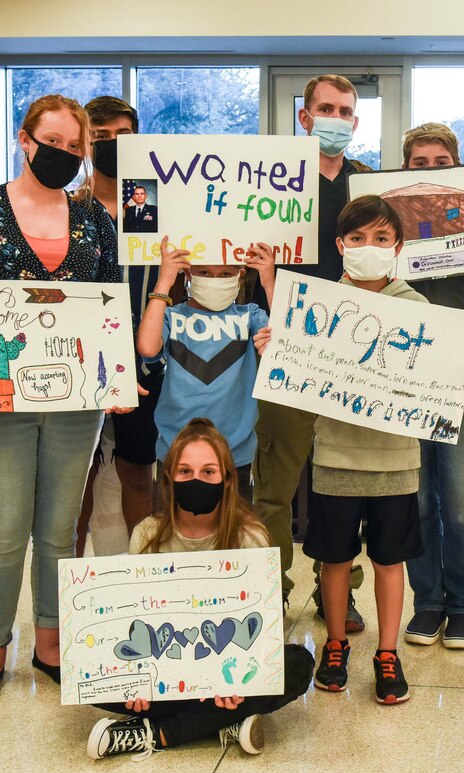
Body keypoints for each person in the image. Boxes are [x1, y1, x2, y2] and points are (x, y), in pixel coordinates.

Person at [0, 94, 122, 700]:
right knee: (6, 529)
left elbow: (108, 311)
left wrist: (115, 380)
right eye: (55, 142)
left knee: (60, 527)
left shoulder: (96, 220)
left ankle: (49, 639)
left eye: (76, 147)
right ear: (24, 139)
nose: (65, 155)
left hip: (75, 401)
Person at [255, 195, 427, 704]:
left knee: (390, 562)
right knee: (334, 559)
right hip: (333, 455)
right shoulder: (317, 304)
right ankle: (335, 643)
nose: (368, 248)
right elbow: (297, 374)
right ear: (340, 245)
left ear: (398, 246)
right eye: (357, 239)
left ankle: (387, 652)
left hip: (396, 459)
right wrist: (277, 350)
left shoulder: (415, 307)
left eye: (380, 239)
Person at [87, 418, 314, 759]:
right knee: (85, 673)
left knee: (297, 664)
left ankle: (159, 732)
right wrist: (135, 680)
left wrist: (238, 676)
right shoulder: (147, 535)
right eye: (185, 472)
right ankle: (224, 720)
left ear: (226, 480)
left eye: (208, 472)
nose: (196, 480)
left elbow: (262, 634)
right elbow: (134, 624)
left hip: (226, 668)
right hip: (166, 670)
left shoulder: (250, 538)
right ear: (169, 479)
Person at [252, 74, 370, 627]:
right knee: (273, 487)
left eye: (345, 110)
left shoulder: (370, 187)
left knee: (341, 484)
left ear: (355, 121)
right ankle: (269, 588)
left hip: (351, 356)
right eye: (325, 108)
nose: (336, 117)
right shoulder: (272, 182)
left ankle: (337, 591)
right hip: (285, 349)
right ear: (304, 117)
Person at [398, 123, 464, 650]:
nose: (430, 170)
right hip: (403, 382)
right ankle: (427, 600)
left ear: (457, 167)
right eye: (420, 162)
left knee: (459, 501)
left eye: (441, 161)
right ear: (405, 169)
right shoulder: (390, 228)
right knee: (416, 500)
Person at [74, 96, 167, 556]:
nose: (112, 144)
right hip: (79, 365)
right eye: (100, 136)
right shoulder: (69, 208)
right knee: (76, 478)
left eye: (122, 136)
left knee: (137, 472)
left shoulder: (151, 206)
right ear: (85, 142)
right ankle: (63, 590)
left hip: (144, 366)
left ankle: (141, 578)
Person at [136, 237, 275, 502]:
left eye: (224, 273)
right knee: (172, 535)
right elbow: (147, 347)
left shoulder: (251, 315)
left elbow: (287, 341)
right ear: (189, 273)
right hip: (175, 449)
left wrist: (269, 282)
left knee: (234, 536)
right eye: (204, 273)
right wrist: (164, 280)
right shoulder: (171, 315)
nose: (214, 279)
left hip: (234, 451)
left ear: (240, 275)